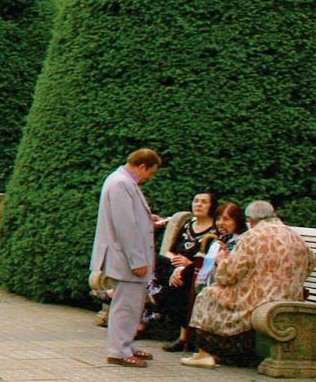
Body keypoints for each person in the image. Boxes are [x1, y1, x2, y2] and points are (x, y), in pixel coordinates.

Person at [183, 201, 315, 369]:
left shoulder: (252, 236)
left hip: (255, 302)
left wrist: (221, 260)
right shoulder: (295, 236)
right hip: (289, 298)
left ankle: (205, 353)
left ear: (250, 220)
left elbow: (227, 275)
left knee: (208, 294)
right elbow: (310, 263)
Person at [92, 149, 166, 368]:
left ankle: (126, 344)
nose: (148, 177)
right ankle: (119, 351)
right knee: (126, 305)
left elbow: (129, 218)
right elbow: (124, 226)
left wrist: (147, 220)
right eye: (150, 172)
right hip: (124, 257)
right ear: (142, 166)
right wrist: (137, 261)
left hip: (122, 255)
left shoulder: (120, 181)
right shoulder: (121, 183)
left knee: (132, 304)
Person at [155, 191, 217, 351]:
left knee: (180, 283)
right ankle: (155, 293)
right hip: (175, 269)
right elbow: (169, 252)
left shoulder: (214, 232)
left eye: (204, 202)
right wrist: (178, 266)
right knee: (151, 259)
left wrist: (187, 265)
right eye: (196, 201)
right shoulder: (188, 226)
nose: (198, 204)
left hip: (196, 273)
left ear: (211, 206)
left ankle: (184, 337)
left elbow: (209, 259)